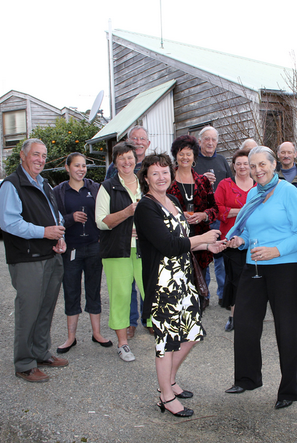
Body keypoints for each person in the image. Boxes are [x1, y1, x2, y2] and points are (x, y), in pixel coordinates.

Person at [134, 154, 226, 418]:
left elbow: (183, 239)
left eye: (165, 172)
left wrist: (209, 245)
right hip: (164, 284)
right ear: (146, 178)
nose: (161, 177)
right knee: (168, 342)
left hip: (184, 279)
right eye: (155, 173)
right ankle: (165, 396)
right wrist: (202, 238)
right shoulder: (146, 207)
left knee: (191, 334)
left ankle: (171, 381)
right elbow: (169, 245)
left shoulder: (173, 201)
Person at [224, 146, 297, 410]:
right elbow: (248, 232)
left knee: (286, 329)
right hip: (254, 266)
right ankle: (248, 378)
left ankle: (289, 390)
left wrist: (276, 250)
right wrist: (240, 240)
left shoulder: (289, 192)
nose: (258, 170)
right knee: (245, 323)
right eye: (253, 165)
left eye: (263, 164)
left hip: (285, 267)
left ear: (274, 165)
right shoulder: (252, 194)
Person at [0, 138, 68, 383]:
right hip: (27, 259)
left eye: (44, 156)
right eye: (36, 154)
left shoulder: (44, 184)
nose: (40, 159)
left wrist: (60, 235)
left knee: (45, 308)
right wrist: (44, 232)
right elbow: (9, 222)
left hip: (51, 254)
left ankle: (40, 353)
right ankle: (25, 364)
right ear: (23, 155)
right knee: (28, 311)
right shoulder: (12, 184)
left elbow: (56, 215)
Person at [52, 152, 111, 353]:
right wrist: (70, 218)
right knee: (71, 291)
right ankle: (71, 337)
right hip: (71, 249)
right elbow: (54, 219)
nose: (81, 169)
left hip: (94, 247)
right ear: (67, 168)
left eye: (84, 166)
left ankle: (97, 334)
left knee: (94, 290)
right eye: (76, 166)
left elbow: (105, 214)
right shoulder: (59, 191)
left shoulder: (94, 188)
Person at [95, 141, 144, 362]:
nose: (127, 162)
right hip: (117, 251)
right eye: (121, 158)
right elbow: (101, 222)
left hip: (145, 250)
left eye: (130, 157)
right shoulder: (107, 187)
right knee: (121, 296)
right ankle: (123, 344)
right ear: (115, 162)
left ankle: (163, 335)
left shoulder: (146, 183)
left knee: (152, 291)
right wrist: (126, 212)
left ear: (136, 159)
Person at [167, 135, 219, 309]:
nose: (185, 158)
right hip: (175, 239)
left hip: (200, 240)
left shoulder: (203, 181)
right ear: (176, 155)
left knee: (198, 286)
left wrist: (203, 215)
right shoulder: (167, 180)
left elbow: (215, 209)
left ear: (194, 156)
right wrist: (178, 215)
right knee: (176, 287)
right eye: (181, 154)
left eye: (188, 154)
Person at [214, 148, 255, 331]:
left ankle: (253, 315)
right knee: (235, 279)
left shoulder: (258, 185)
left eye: (246, 163)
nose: (242, 167)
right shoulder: (225, 184)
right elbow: (218, 210)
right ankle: (233, 316)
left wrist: (234, 211)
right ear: (234, 166)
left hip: (255, 239)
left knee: (255, 279)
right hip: (231, 240)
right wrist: (243, 211)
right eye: (238, 163)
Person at [194, 126, 232, 307]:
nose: (210, 143)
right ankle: (204, 294)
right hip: (200, 215)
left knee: (221, 254)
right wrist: (201, 179)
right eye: (206, 139)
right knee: (203, 253)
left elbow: (230, 184)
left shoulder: (222, 161)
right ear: (199, 141)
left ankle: (224, 294)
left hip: (219, 215)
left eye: (213, 139)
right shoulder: (193, 161)